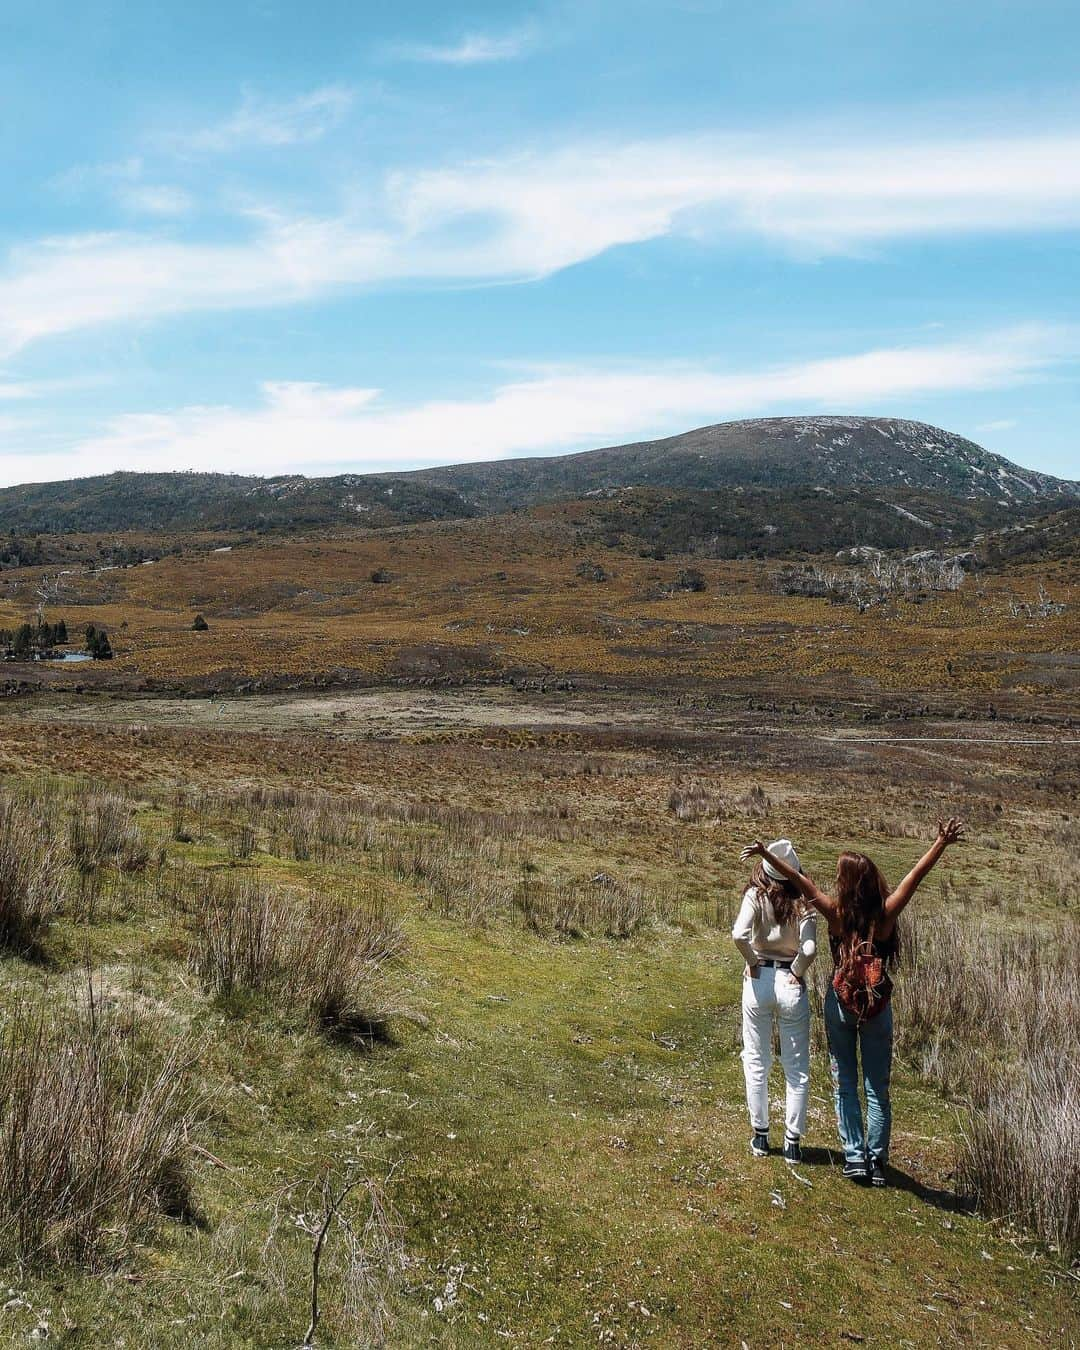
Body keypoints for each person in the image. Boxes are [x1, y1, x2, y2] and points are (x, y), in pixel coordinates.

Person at [740, 819, 964, 1187]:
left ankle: (855, 1157)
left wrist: (767, 855)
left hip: (842, 1003)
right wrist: (940, 843)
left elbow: (798, 882)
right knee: (877, 1086)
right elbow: (915, 876)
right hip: (877, 1007)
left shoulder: (836, 914)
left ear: (846, 885)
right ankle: (877, 1163)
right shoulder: (887, 913)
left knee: (844, 1081)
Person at [731, 838, 817, 1165]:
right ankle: (792, 1143)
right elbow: (809, 950)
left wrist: (753, 962)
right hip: (790, 982)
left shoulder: (755, 895)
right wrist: (796, 971)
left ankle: (760, 1135)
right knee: (796, 1068)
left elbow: (739, 934)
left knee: (756, 1059)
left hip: (759, 980)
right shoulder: (805, 904)